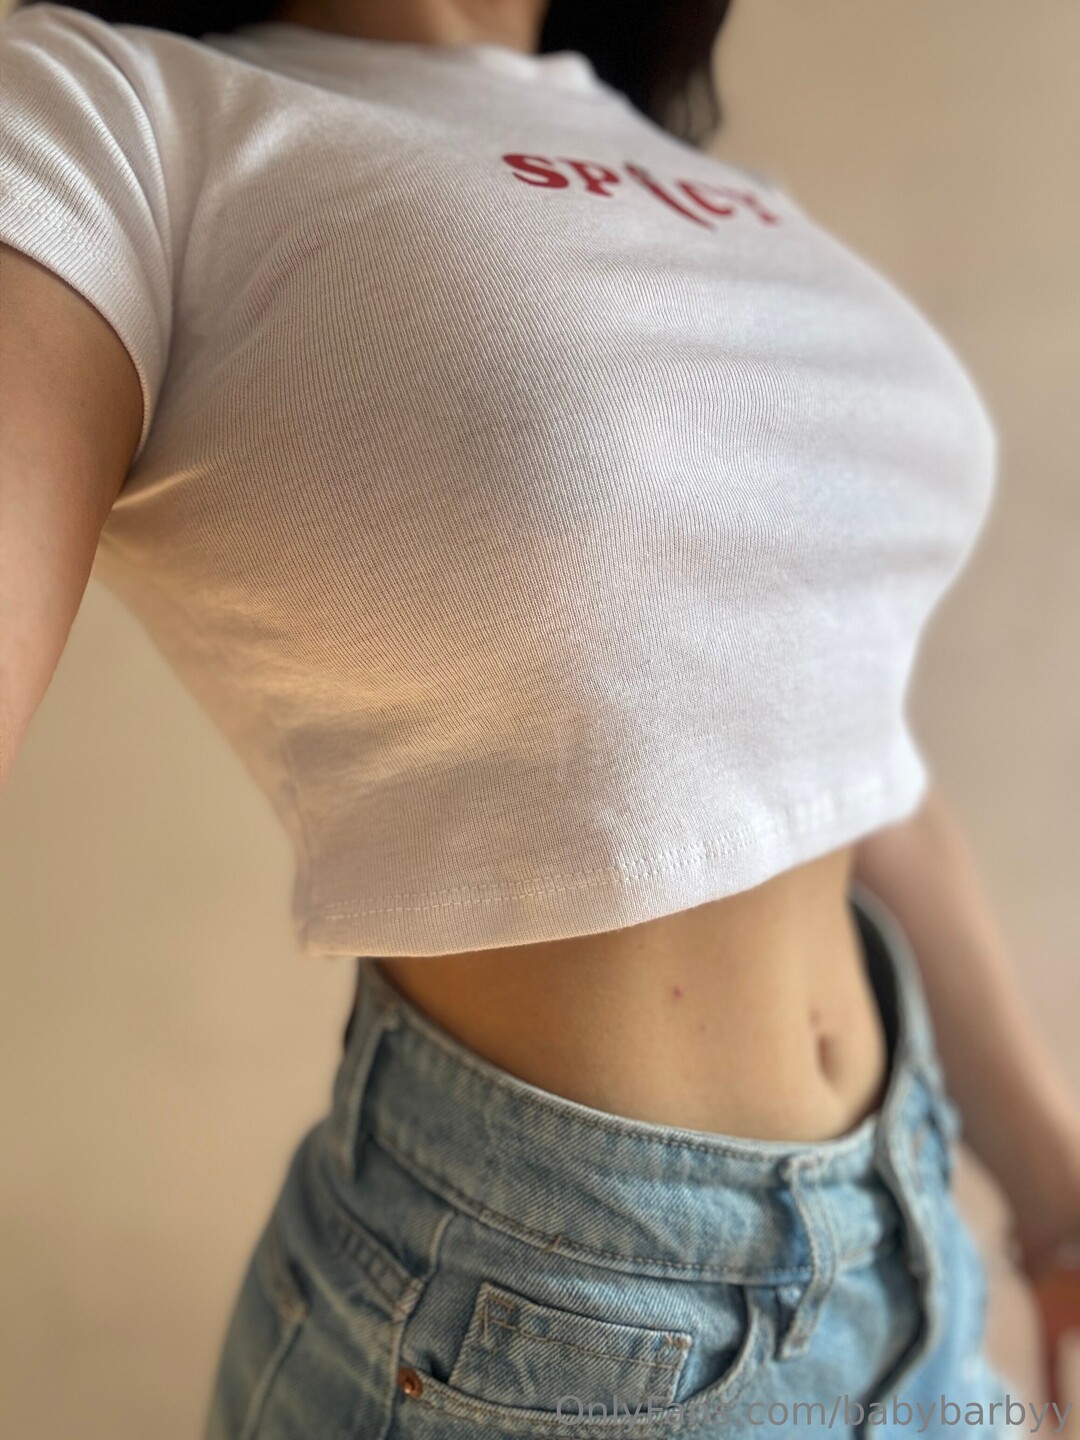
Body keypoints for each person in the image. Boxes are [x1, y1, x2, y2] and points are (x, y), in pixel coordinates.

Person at [2, 0, 1077, 1434]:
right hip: (550, 1328)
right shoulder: (110, 111)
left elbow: (845, 757)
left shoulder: (695, 174)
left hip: (914, 1244)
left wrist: (1056, 1187)